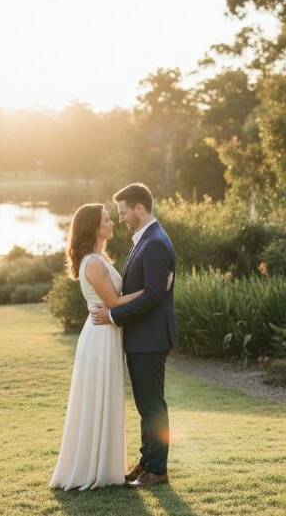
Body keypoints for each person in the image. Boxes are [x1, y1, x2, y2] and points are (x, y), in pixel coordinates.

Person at [49, 203, 143, 490]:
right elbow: (114, 303)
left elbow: (114, 300)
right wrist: (149, 291)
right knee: (97, 397)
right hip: (100, 335)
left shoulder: (101, 258)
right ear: (93, 227)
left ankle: (105, 464)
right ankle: (92, 468)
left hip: (107, 332)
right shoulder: (92, 262)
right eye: (106, 219)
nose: (112, 222)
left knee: (107, 396)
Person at [92, 182, 177, 489]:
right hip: (143, 337)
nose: (122, 218)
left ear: (140, 208)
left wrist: (113, 315)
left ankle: (157, 470)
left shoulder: (154, 242)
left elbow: (154, 295)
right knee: (146, 404)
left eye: (125, 212)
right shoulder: (146, 238)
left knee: (152, 404)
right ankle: (146, 461)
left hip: (150, 338)